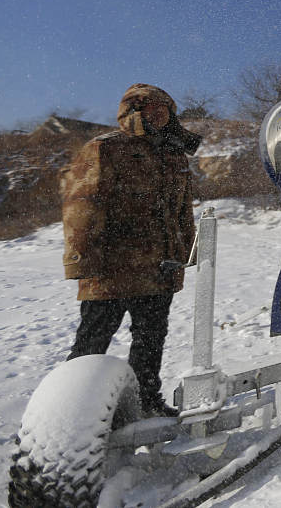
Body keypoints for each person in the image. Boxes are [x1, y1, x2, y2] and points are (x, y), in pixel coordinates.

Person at [61, 84, 201, 417]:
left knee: (150, 341)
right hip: (110, 270)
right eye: (152, 109)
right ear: (132, 112)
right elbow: (81, 207)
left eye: (165, 110)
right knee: (91, 345)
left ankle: (145, 402)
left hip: (158, 269)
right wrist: (80, 260)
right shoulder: (105, 148)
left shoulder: (173, 154)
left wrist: (187, 251)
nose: (160, 115)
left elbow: (182, 211)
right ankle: (67, 415)